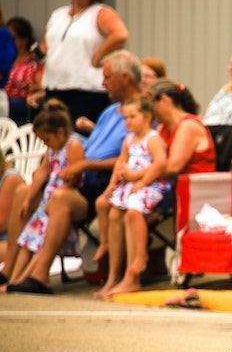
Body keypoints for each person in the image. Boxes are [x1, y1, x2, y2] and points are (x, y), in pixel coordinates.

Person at [0, 51, 141, 293]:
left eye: (107, 77)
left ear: (125, 77)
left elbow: (136, 155)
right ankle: (10, 272)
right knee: (24, 192)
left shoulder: (140, 113)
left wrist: (84, 165)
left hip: (98, 186)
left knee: (61, 197)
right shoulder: (110, 112)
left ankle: (40, 275)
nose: (102, 83)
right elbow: (95, 147)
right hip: (76, 176)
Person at [3, 101, 85, 293]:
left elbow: (76, 174)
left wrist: (67, 181)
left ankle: (29, 278)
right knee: (27, 241)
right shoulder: (52, 148)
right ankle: (14, 279)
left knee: (42, 242)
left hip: (62, 197)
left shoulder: (73, 145)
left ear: (60, 133)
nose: (45, 144)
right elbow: (41, 173)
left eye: (46, 139)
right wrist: (29, 199)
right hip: (47, 200)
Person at [97, 96, 171, 297]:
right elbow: (120, 163)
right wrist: (112, 184)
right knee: (109, 209)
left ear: (147, 116)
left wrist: (141, 181)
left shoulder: (153, 138)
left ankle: (140, 256)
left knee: (132, 209)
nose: (127, 121)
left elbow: (160, 164)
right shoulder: (129, 139)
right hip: (129, 185)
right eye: (125, 118)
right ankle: (114, 276)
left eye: (132, 116)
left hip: (150, 184)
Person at [40, 0, 129, 125]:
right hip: (55, 85)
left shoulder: (100, 12)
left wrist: (98, 56)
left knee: (79, 134)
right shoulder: (58, 14)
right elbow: (46, 44)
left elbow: (120, 34)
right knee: (53, 132)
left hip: (86, 88)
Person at [148, 80, 217, 178]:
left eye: (151, 105)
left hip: (194, 187)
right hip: (170, 185)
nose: (150, 111)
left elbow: (173, 166)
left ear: (164, 100)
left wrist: (138, 175)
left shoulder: (188, 125)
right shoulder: (163, 128)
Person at [5, 16, 43, 124]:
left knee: (11, 104)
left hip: (22, 101)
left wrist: (30, 86)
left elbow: (41, 87)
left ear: (24, 39)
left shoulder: (34, 61)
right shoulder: (5, 57)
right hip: (4, 98)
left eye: (12, 38)